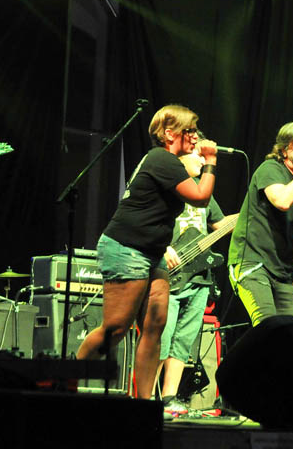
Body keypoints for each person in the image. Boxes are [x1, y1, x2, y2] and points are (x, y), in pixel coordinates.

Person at [76, 105, 217, 401]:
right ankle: (66, 383)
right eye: (190, 131)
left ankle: (144, 403)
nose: (195, 137)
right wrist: (211, 162)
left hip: (152, 252)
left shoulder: (170, 163)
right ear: (169, 134)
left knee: (154, 325)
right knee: (116, 327)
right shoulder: (161, 159)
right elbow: (201, 197)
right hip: (126, 247)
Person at [159, 151, 231, 417]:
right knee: (161, 338)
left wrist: (249, 214)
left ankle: (168, 398)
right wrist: (162, 246)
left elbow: (219, 225)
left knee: (183, 341)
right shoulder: (168, 186)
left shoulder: (204, 191)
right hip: (168, 274)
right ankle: (144, 397)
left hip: (199, 276)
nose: (202, 161)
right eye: (197, 156)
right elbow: (147, 221)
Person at [227, 121, 293, 326]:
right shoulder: (270, 169)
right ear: (284, 150)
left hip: (283, 273)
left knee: (292, 333)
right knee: (267, 327)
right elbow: (282, 201)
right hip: (253, 262)